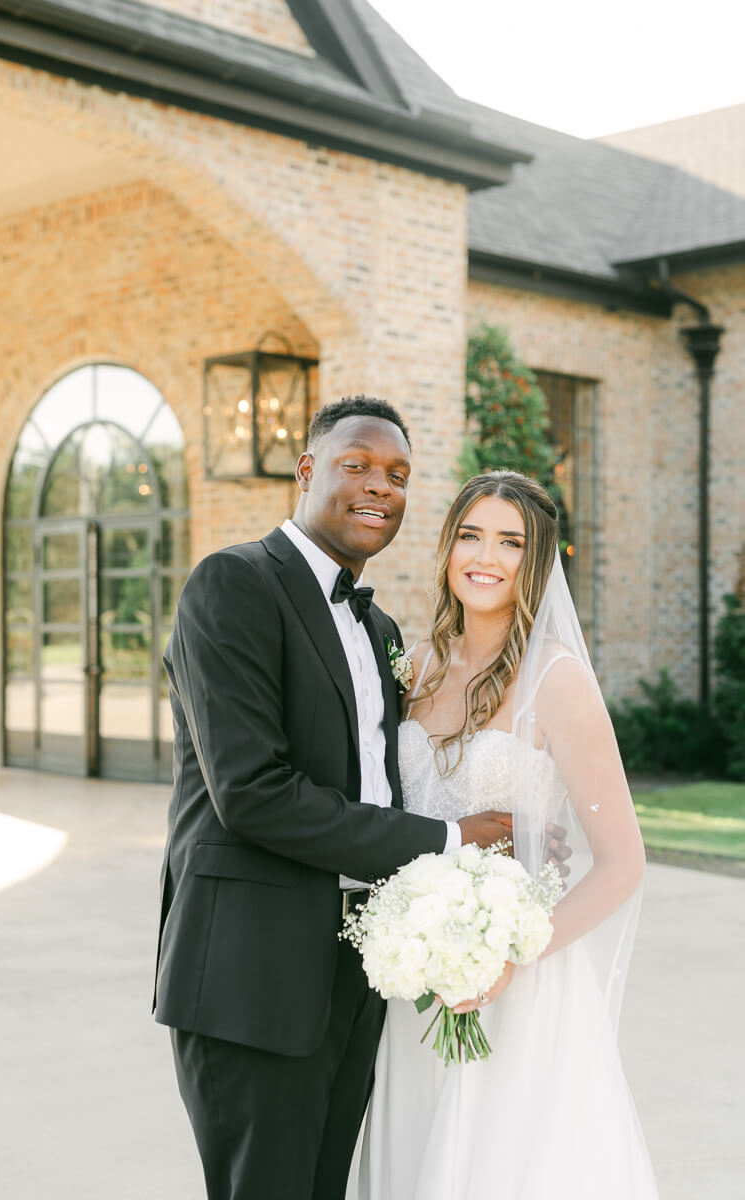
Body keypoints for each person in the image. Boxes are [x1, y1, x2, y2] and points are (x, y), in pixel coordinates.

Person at [153, 399, 550, 1200]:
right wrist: (449, 839)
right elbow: (253, 795)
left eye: (397, 476)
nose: (380, 487)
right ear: (307, 471)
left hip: (361, 967)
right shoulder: (231, 585)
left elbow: (382, 781)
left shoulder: (382, 634)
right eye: (357, 465)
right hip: (252, 974)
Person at [347, 470, 659, 1200]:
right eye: (470, 535)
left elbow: (622, 864)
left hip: (520, 987)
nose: (485, 556)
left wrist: (513, 957)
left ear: (537, 562)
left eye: (510, 541)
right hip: (414, 985)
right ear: (448, 547)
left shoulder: (559, 681)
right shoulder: (413, 668)